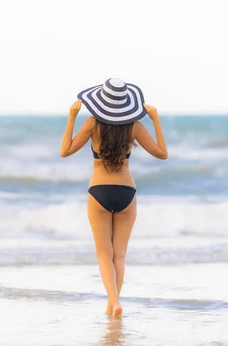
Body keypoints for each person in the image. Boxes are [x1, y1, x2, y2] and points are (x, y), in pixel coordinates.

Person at [59, 78, 168, 317]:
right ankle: (113, 305)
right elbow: (162, 154)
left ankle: (114, 303)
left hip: (99, 191)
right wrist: (155, 119)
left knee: (103, 254)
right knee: (119, 254)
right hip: (126, 192)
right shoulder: (135, 127)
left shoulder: (92, 124)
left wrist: (71, 117)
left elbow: (64, 151)